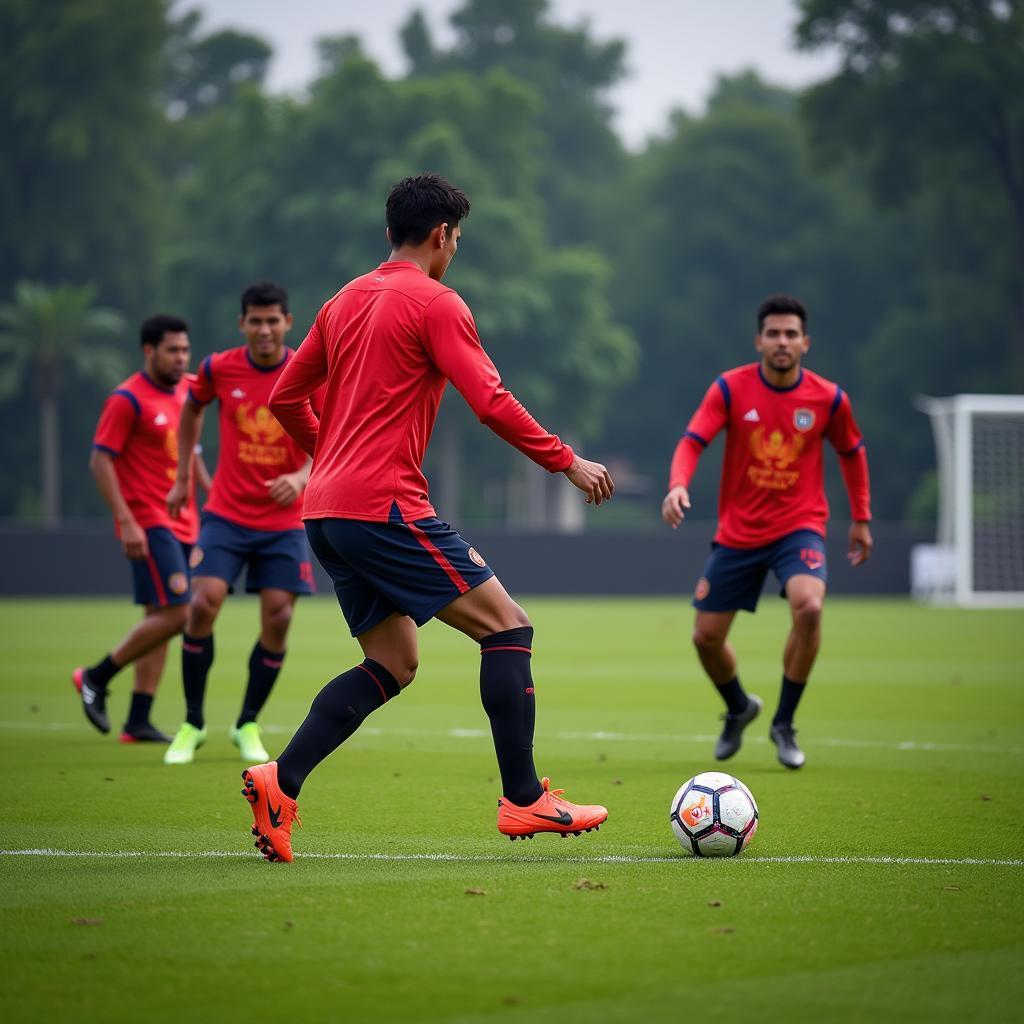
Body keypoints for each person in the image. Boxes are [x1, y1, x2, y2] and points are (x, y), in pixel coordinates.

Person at [238, 172, 614, 862]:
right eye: (457, 241)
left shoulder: (342, 299)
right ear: (441, 236)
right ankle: (525, 798)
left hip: (325, 511)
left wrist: (335, 456)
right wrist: (567, 461)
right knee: (508, 627)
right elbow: (491, 401)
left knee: (392, 660)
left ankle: (279, 781)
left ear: (390, 233)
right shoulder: (438, 304)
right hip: (383, 506)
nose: (455, 252)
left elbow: (287, 399)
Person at [661, 294, 872, 770]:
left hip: (799, 527)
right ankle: (739, 707)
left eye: (791, 334)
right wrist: (677, 486)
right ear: (759, 340)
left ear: (805, 343)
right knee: (705, 638)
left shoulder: (829, 398)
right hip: (738, 533)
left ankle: (784, 722)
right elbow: (692, 441)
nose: (782, 342)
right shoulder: (730, 389)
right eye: (773, 334)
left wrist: (861, 517)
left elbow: (852, 452)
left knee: (810, 606)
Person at [164, 282, 319, 765]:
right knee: (202, 604)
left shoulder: (308, 370)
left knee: (280, 616)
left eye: (274, 320)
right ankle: (191, 723)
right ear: (242, 325)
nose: (265, 329)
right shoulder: (217, 367)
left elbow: (335, 435)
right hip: (226, 516)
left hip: (285, 521)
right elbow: (192, 407)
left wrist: (301, 475)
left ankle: (247, 722)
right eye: (256, 320)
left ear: (288, 323)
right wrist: (185, 474)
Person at [74, 315, 207, 742]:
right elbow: (100, 461)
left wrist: (212, 492)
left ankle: (138, 720)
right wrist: (126, 520)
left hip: (184, 521)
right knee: (179, 612)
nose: (181, 358)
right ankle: (96, 676)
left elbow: (192, 451)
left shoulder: (189, 389)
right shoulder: (127, 399)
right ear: (148, 351)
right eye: (172, 350)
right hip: (149, 521)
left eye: (185, 350)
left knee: (161, 615)